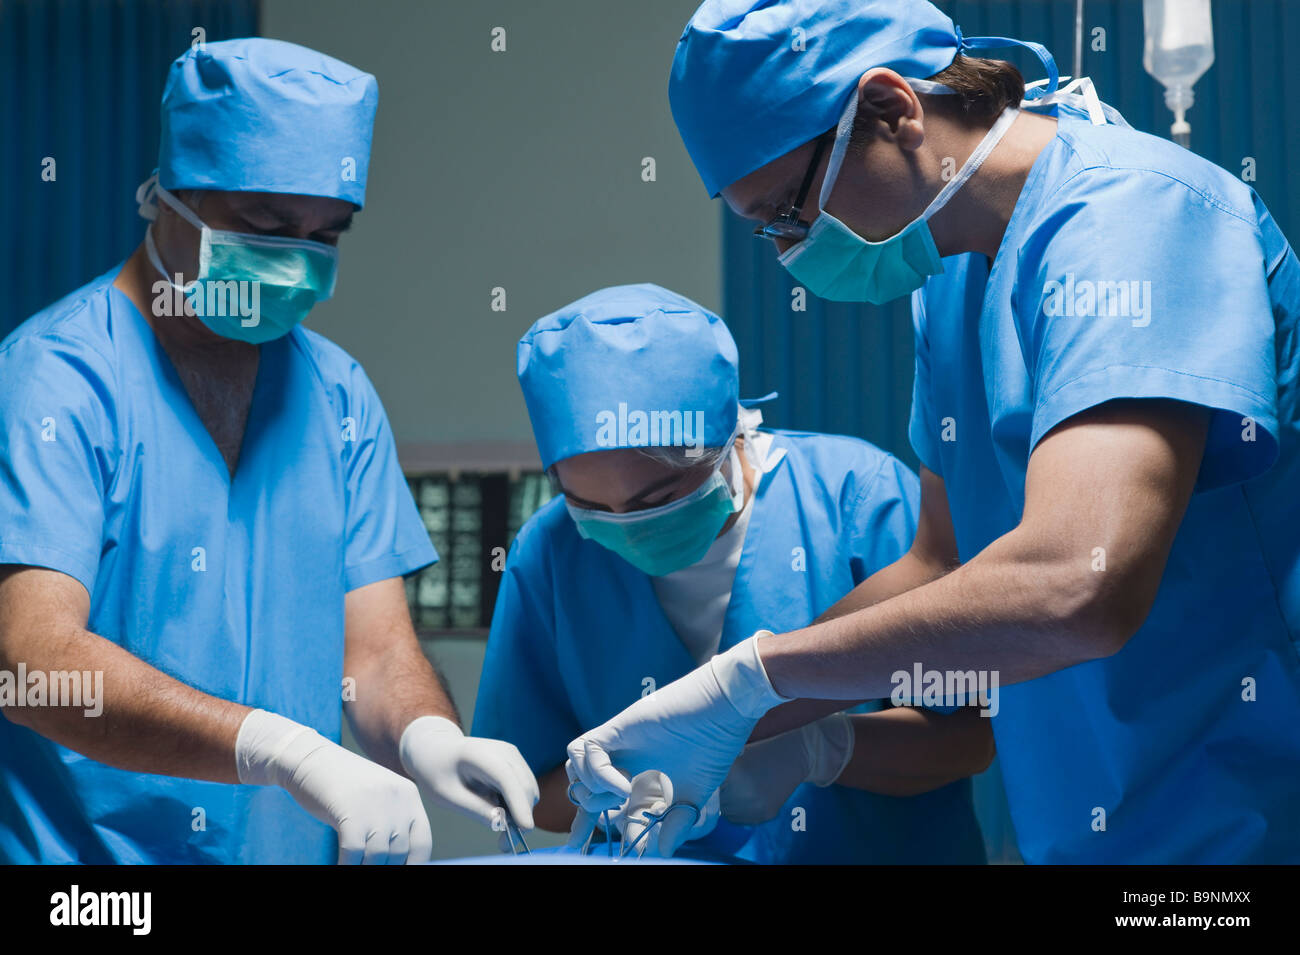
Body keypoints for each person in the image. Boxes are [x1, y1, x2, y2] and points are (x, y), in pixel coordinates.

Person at [565, 0, 1300, 863]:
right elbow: (939, 564)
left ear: (893, 109)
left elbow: (1077, 584)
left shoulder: (1130, 220)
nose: (787, 251)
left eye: (787, 213)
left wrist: (756, 677)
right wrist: (747, 720)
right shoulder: (950, 279)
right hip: (1094, 831)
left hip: (1246, 825)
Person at [0, 38, 536, 864]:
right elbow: (32, 659)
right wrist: (279, 749)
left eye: (326, 235)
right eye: (267, 227)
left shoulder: (336, 391)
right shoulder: (60, 378)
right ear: (169, 198)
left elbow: (377, 646)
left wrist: (429, 735)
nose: (296, 263)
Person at [472, 284, 991, 862]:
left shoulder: (858, 500)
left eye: (658, 497)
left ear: (728, 438)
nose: (627, 527)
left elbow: (974, 736)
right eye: (589, 506)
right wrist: (631, 790)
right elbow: (524, 786)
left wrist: (825, 750)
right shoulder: (551, 551)